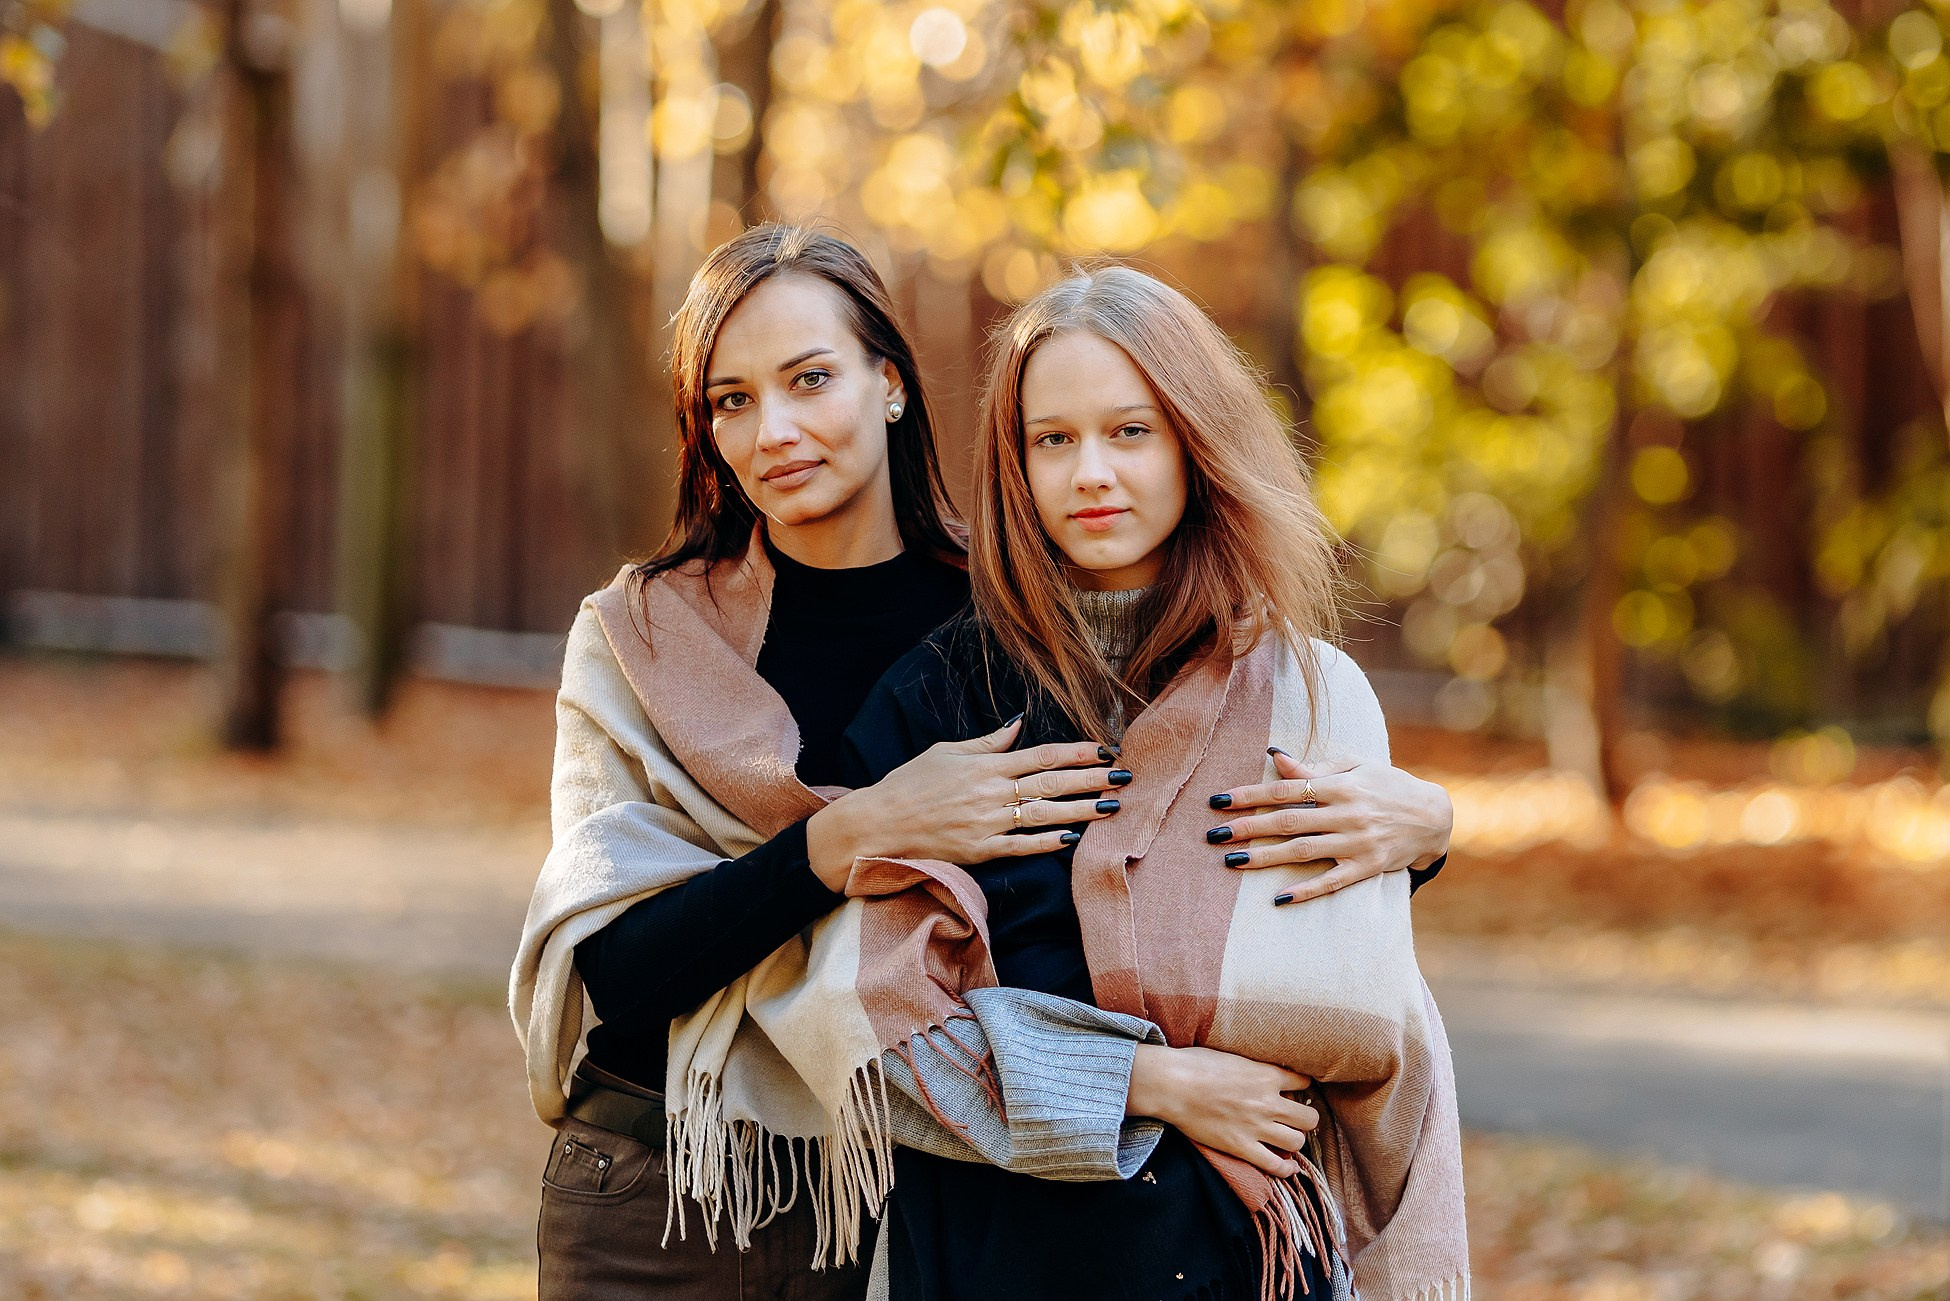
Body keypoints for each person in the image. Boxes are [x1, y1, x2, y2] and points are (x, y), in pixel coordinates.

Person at [509, 225, 1455, 1300]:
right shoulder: (646, 639)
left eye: (810, 378)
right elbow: (621, 973)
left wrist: (1424, 828)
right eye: (731, 399)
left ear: (893, 384)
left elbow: (1171, 837)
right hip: (673, 1180)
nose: (774, 428)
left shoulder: (1015, 616)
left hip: (908, 1186)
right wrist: (856, 832)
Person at [833, 265, 1469, 1301]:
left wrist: (1433, 825)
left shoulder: (1304, 693)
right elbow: (877, 1041)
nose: (1092, 472)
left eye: (1131, 431)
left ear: (1194, 439)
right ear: (1015, 460)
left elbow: (1363, 1007)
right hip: (999, 1256)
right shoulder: (938, 704)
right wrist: (1149, 1082)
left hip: (1244, 1260)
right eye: (1055, 438)